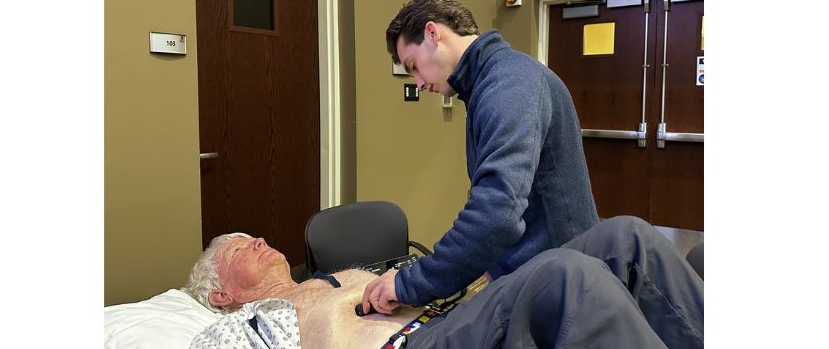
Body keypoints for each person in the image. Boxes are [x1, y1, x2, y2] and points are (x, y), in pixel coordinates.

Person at [362, 0, 599, 315]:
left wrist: (409, 283)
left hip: (559, 286)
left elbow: (497, 212)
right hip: (540, 270)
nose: (417, 83)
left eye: (414, 66)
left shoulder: (510, 83)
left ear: (433, 33)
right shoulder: (492, 82)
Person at [184, 216, 703, 348]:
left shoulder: (326, 277)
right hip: (411, 344)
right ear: (221, 294)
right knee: (567, 277)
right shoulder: (236, 328)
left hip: (451, 319)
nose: (256, 242)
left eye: (252, 237)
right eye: (238, 249)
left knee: (625, 238)